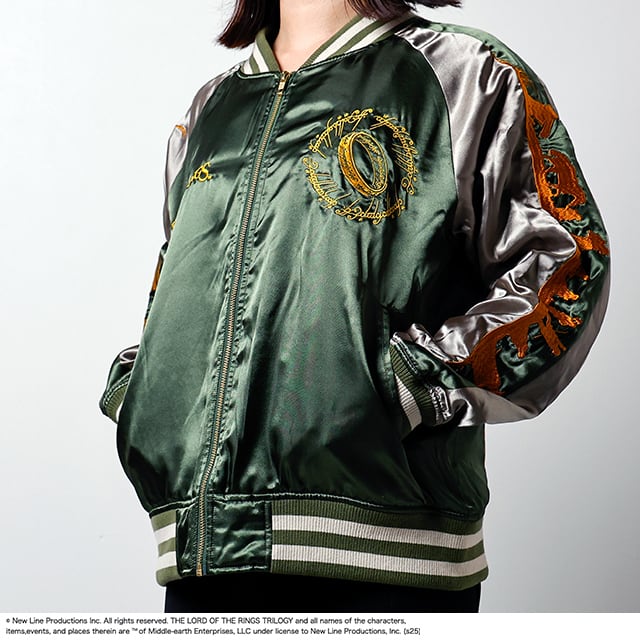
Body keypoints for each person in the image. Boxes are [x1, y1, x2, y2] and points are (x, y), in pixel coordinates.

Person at [100, 0, 610, 613]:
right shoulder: (211, 107)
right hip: (203, 550)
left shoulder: (466, 73)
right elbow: (177, 288)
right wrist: (145, 396)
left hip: (387, 550)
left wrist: (408, 385)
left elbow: (567, 264)